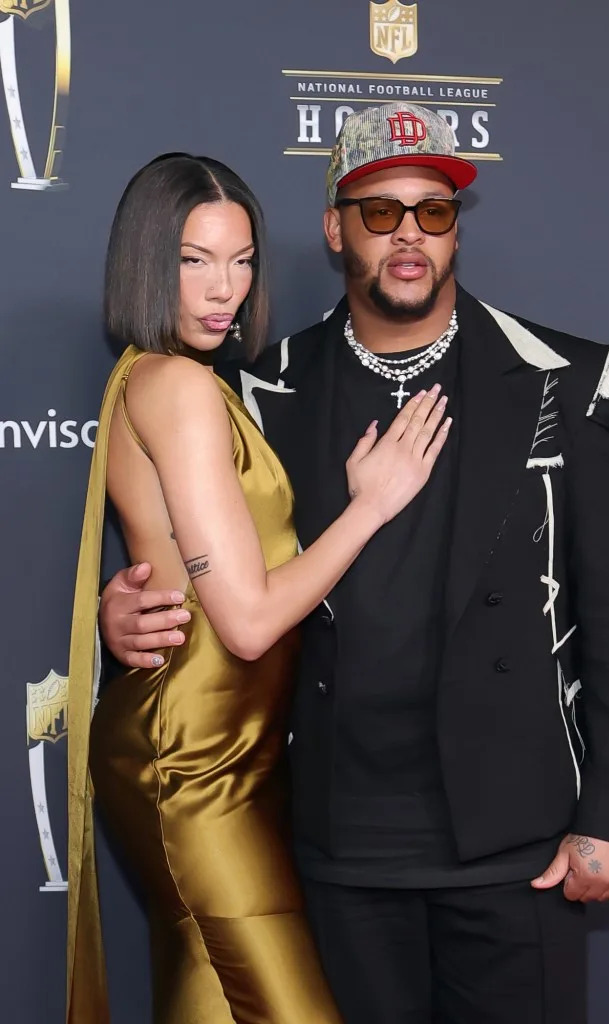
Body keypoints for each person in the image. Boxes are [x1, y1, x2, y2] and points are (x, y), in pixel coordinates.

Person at [100, 105, 609, 1024]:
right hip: (329, 838)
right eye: (378, 210)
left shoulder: (564, 379)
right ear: (334, 228)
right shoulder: (258, 387)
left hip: (513, 841)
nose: (408, 235)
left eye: (432, 212)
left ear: (454, 229)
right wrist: (120, 614)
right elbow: (211, 567)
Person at [66, 151, 451, 1024]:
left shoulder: (165, 377)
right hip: (192, 758)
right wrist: (371, 506)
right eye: (193, 260)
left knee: (208, 993)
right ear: (144, 260)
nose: (224, 288)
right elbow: (243, 622)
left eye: (240, 261)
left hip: (225, 747)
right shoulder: (179, 388)